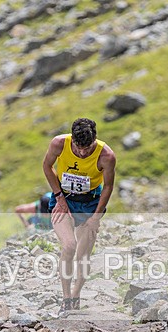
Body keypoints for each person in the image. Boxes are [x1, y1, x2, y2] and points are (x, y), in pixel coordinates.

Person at [42, 117, 116, 312]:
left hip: (90, 202)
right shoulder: (59, 143)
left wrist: (96, 218)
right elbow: (47, 167)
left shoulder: (106, 155)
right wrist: (59, 198)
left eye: (87, 148)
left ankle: (76, 296)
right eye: (78, 147)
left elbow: (108, 186)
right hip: (64, 199)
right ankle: (66, 299)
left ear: (95, 140)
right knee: (69, 246)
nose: (82, 153)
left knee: (83, 255)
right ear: (72, 139)